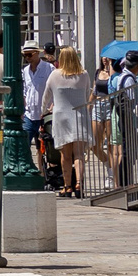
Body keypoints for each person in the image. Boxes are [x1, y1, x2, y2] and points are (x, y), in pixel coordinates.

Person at [47, 47, 92, 197]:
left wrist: (43, 110)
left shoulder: (55, 75)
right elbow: (87, 94)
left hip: (61, 117)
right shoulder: (84, 75)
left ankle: (67, 186)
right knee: (79, 154)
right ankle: (78, 183)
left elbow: (46, 95)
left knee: (65, 155)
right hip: (79, 116)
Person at [21, 44, 54, 183]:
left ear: (37, 53)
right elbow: (25, 91)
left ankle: (43, 175)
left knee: (45, 148)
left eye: (29, 54)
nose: (27, 58)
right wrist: (24, 107)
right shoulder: (25, 71)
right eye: (25, 55)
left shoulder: (49, 68)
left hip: (44, 114)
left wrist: (52, 106)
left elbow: (54, 88)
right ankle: (28, 171)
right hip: (29, 115)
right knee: (24, 144)